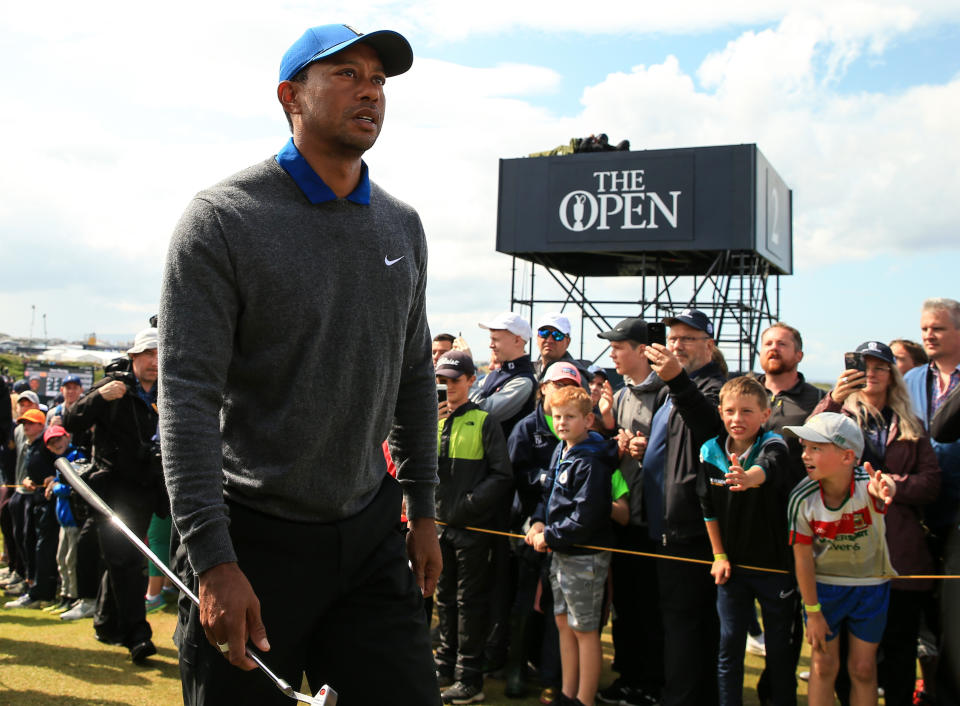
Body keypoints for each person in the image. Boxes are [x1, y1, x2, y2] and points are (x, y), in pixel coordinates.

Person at [158, 24, 441, 706]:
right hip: (252, 538)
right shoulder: (223, 219)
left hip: (372, 532)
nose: (370, 91)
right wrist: (213, 560)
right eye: (346, 74)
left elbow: (412, 377)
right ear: (292, 94)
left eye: (377, 79)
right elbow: (187, 399)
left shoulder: (402, 225)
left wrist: (424, 511)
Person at [812, 340, 941, 704]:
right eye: (863, 366)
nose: (871, 374)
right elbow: (808, 453)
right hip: (844, 550)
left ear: (892, 375)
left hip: (899, 551)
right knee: (850, 660)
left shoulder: (912, 423)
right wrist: (833, 400)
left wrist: (892, 485)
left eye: (880, 367)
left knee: (899, 652)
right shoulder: (839, 417)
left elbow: (931, 481)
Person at [62, 327, 163, 662]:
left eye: (159, 353)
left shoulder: (168, 392)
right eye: (148, 354)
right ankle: (137, 635)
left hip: (147, 490)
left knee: (121, 561)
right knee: (126, 560)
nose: (155, 361)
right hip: (112, 491)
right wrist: (98, 398)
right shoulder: (112, 386)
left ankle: (107, 623)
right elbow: (71, 421)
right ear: (133, 357)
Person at [785, 413, 897, 706]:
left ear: (848, 456)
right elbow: (803, 559)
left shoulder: (868, 485)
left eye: (816, 449)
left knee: (862, 669)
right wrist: (813, 612)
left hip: (871, 586)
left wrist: (885, 489)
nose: (805, 456)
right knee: (823, 667)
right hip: (824, 589)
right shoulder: (801, 498)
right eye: (804, 447)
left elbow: (883, 485)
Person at [643, 308, 725, 706]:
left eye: (688, 339)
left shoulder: (714, 387)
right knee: (672, 625)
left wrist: (677, 380)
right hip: (660, 526)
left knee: (690, 627)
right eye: (672, 338)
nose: (677, 345)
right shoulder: (667, 388)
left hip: (692, 530)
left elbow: (711, 428)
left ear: (709, 344)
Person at [697, 376, 795, 706]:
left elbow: (768, 467)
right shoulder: (710, 450)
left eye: (747, 411)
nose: (737, 419)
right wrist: (719, 555)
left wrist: (747, 478)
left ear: (766, 414)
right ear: (721, 413)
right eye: (730, 411)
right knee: (729, 648)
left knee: (780, 652)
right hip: (732, 570)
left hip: (775, 568)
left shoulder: (774, 443)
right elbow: (707, 508)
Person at [526, 385, 616, 706]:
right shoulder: (561, 451)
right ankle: (568, 693)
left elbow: (586, 515)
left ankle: (585, 699)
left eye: (570, 417)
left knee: (585, 629)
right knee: (563, 623)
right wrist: (538, 522)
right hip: (560, 554)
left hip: (584, 556)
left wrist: (549, 535)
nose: (561, 423)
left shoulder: (591, 461)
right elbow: (549, 495)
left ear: (589, 420)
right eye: (557, 417)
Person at [434, 350, 513, 704]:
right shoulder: (429, 420)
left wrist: (466, 507)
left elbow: (501, 476)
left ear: (470, 381)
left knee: (469, 603)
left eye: (454, 380)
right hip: (438, 528)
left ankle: (470, 678)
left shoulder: (485, 421)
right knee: (444, 599)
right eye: (443, 380)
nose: (448, 386)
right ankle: (444, 665)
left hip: (472, 530)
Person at [594, 317, 665, 706]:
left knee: (650, 610)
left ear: (641, 350)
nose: (613, 353)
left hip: (653, 523)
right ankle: (629, 678)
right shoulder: (621, 396)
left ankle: (651, 683)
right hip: (625, 520)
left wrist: (647, 447)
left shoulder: (669, 394)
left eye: (619, 347)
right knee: (626, 609)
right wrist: (614, 437)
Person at [904, 298, 960, 704]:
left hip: (958, 513)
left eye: (937, 328)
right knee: (920, 616)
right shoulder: (910, 380)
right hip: (916, 513)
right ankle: (928, 689)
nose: (928, 335)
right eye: (925, 328)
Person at [472, 312, 538, 436]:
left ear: (517, 340)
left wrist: (468, 374)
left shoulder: (523, 381)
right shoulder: (496, 374)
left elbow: (483, 411)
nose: (491, 345)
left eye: (495, 340)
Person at [533, 313, 590, 387]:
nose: (549, 340)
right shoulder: (529, 371)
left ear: (568, 341)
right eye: (544, 333)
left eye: (557, 335)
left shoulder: (573, 375)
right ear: (537, 337)